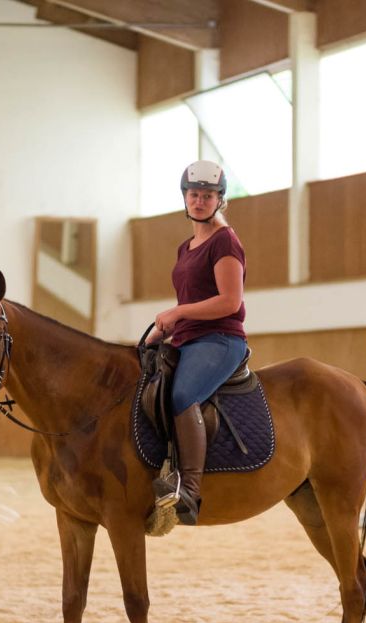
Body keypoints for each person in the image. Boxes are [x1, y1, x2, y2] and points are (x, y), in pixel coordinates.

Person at [144, 160, 248, 526]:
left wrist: (178, 312)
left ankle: (188, 488)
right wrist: (166, 330)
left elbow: (229, 301)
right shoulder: (185, 247)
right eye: (194, 194)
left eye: (208, 195)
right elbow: (193, 300)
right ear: (185, 197)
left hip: (220, 339)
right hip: (188, 338)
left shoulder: (225, 241)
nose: (200, 201)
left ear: (220, 200)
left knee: (182, 394)